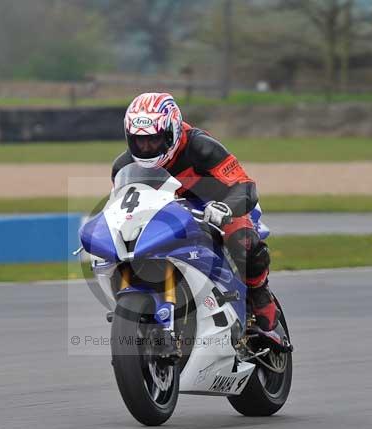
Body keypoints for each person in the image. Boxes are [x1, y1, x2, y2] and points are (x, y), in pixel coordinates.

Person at [111, 92, 279, 331]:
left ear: (172, 132)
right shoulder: (123, 166)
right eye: (139, 140)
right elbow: (125, 207)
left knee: (243, 241)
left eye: (154, 140)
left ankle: (260, 293)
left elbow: (245, 185)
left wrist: (226, 208)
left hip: (222, 206)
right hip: (172, 215)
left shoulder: (200, 147)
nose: (146, 147)